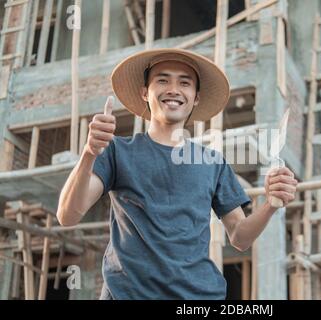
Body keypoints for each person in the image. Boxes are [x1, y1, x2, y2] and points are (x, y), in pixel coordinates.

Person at [56, 48, 298, 300]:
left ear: (195, 98)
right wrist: (89, 152)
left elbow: (239, 237)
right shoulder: (117, 151)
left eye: (185, 82)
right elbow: (68, 215)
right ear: (145, 93)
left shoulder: (212, 162)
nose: (173, 89)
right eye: (162, 80)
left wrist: (270, 204)